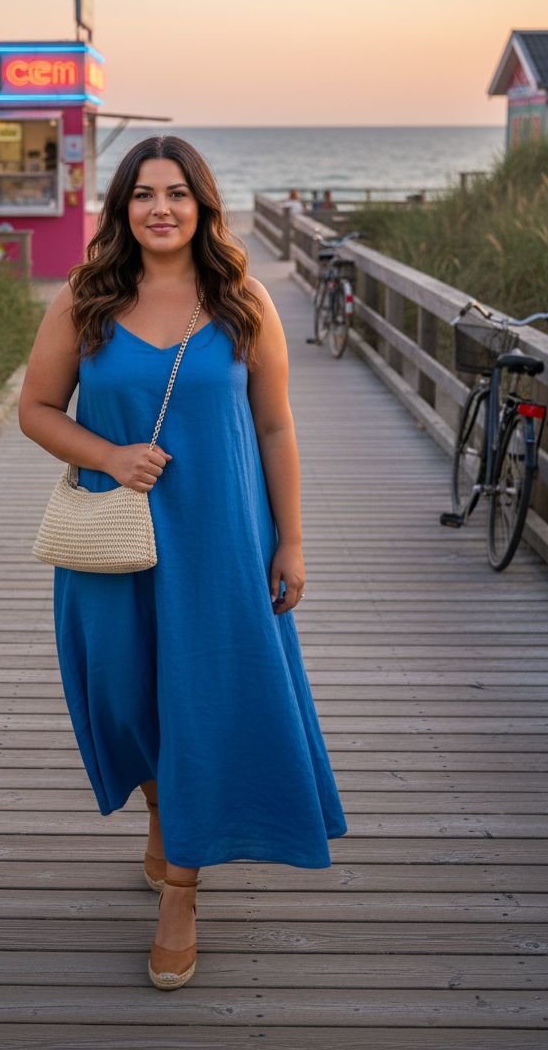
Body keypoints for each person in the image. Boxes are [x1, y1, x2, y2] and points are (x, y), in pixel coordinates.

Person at [18, 135, 347, 991]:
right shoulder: (84, 300)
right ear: (122, 208)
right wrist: (111, 453)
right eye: (141, 194)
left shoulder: (244, 302)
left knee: (201, 703)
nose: (159, 208)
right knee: (128, 699)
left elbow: (275, 427)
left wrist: (293, 538)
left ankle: (183, 896)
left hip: (219, 544)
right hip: (113, 542)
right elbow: (36, 409)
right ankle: (165, 822)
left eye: (176, 193)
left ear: (202, 206)